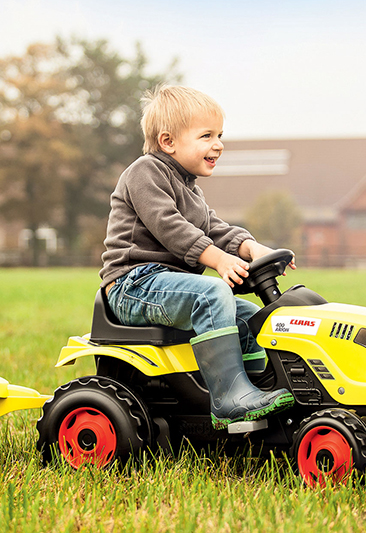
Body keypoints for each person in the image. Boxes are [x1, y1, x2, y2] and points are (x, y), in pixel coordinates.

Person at [100, 85, 295, 429]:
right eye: (206, 135)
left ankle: (257, 389)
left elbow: (214, 227)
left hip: (160, 286)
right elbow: (170, 226)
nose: (218, 144)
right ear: (168, 142)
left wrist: (252, 248)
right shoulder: (144, 173)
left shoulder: (189, 187)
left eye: (220, 135)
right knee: (214, 293)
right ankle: (230, 397)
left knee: (250, 314)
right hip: (133, 285)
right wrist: (218, 260)